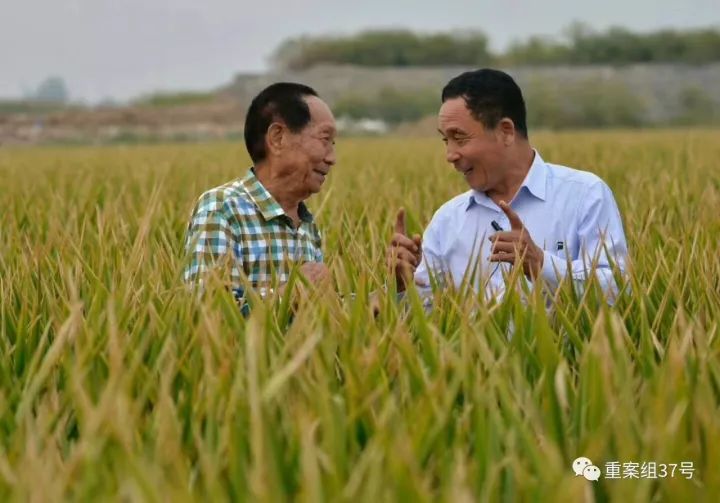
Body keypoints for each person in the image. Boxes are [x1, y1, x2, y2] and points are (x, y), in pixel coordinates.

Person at [388, 69, 628, 302]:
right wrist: (401, 286)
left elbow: (618, 290)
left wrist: (541, 265)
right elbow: (428, 313)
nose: (450, 154)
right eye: (445, 140)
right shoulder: (448, 219)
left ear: (506, 131)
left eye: (459, 138)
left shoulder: (584, 195)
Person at [183, 82, 337, 309]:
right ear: (277, 138)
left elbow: (323, 312)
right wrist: (288, 294)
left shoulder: (306, 224)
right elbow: (207, 308)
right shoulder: (222, 208)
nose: (332, 158)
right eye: (325, 140)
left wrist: (394, 289)